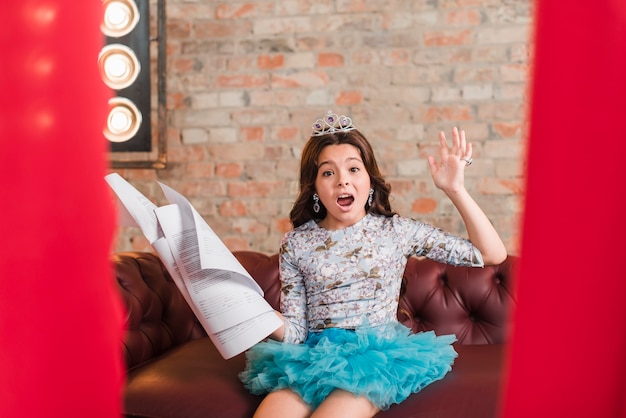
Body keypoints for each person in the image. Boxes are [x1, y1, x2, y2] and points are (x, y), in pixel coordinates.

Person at [239, 110, 507, 418]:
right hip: (311, 357)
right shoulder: (296, 243)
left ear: (369, 180)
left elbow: (491, 254)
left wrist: (455, 190)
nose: (343, 180)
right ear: (314, 187)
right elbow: (297, 331)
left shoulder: (396, 231)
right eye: (328, 173)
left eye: (354, 169)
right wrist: (256, 313)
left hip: (374, 359)